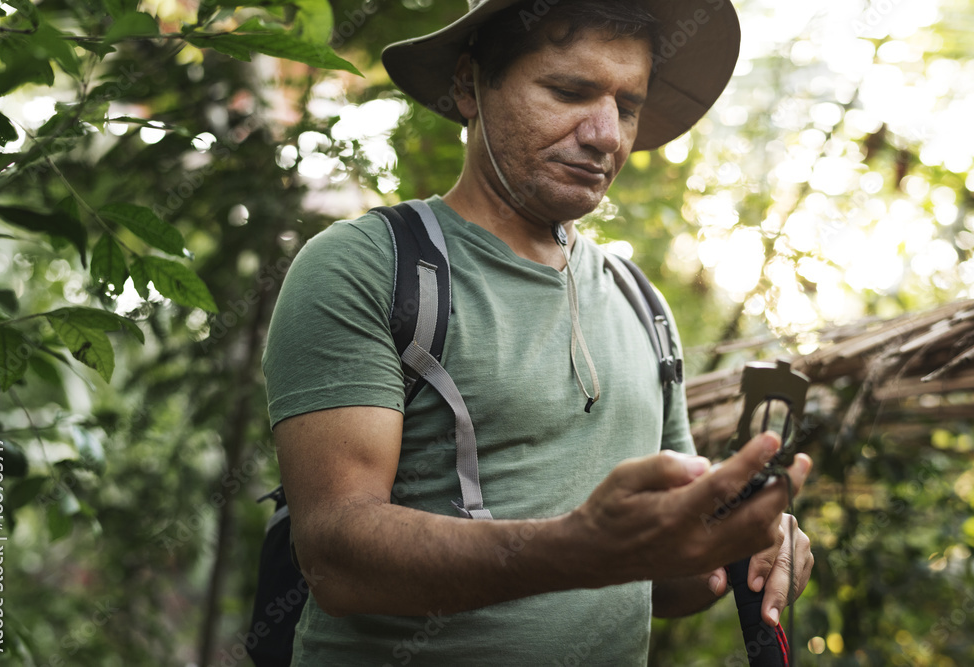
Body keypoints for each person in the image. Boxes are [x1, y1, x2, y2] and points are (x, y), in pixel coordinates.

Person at [261, 0, 814, 664]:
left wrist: (737, 540)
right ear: (470, 85)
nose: (607, 134)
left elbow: (665, 577)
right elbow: (337, 558)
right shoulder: (371, 267)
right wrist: (580, 545)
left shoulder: (642, 304)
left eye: (628, 105)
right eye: (570, 91)